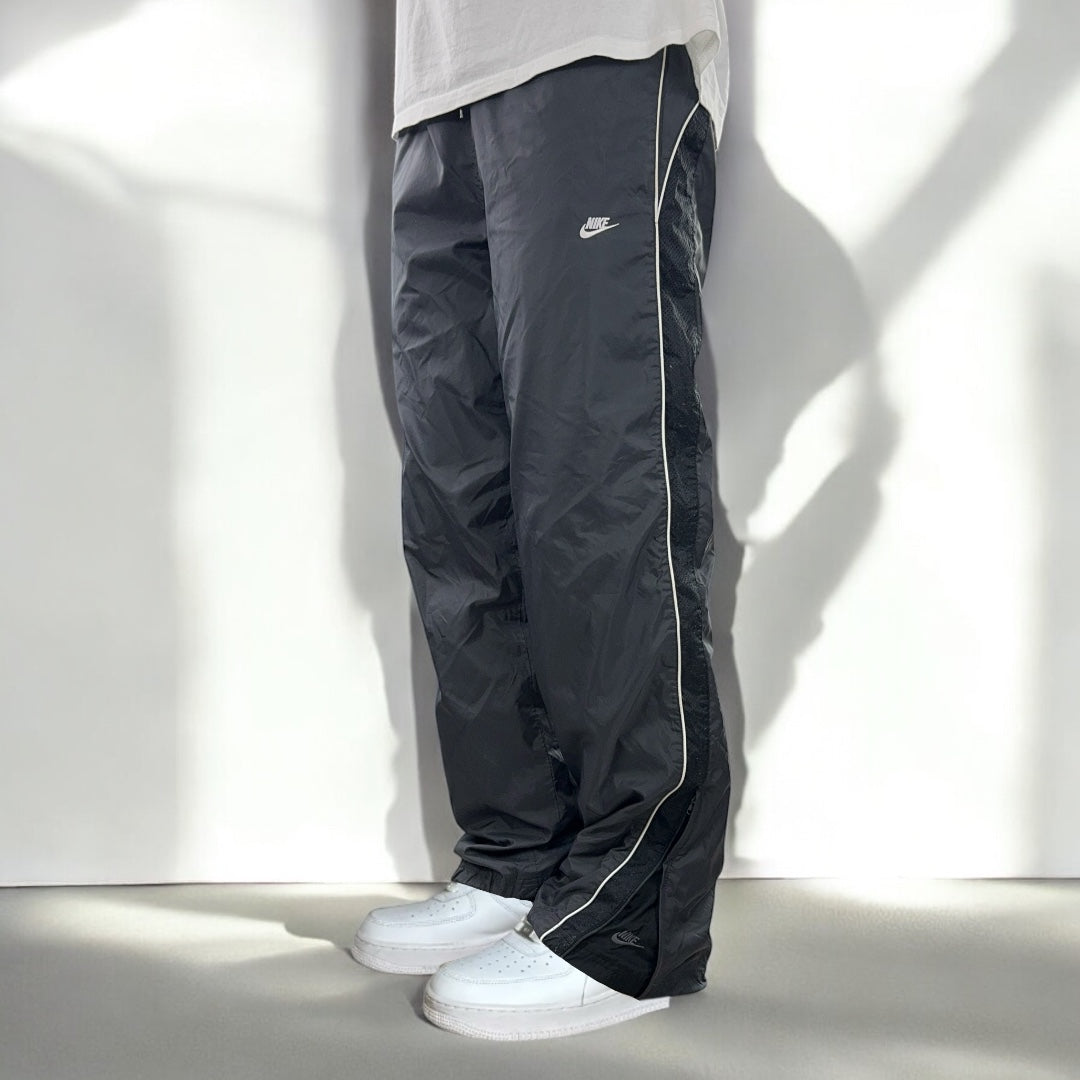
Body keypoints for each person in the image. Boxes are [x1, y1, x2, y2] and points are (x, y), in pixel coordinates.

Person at [352, 0, 734, 1041]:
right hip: (438, 83)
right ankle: (520, 856)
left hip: (594, 43)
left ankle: (628, 920)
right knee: (458, 497)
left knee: (597, 479)